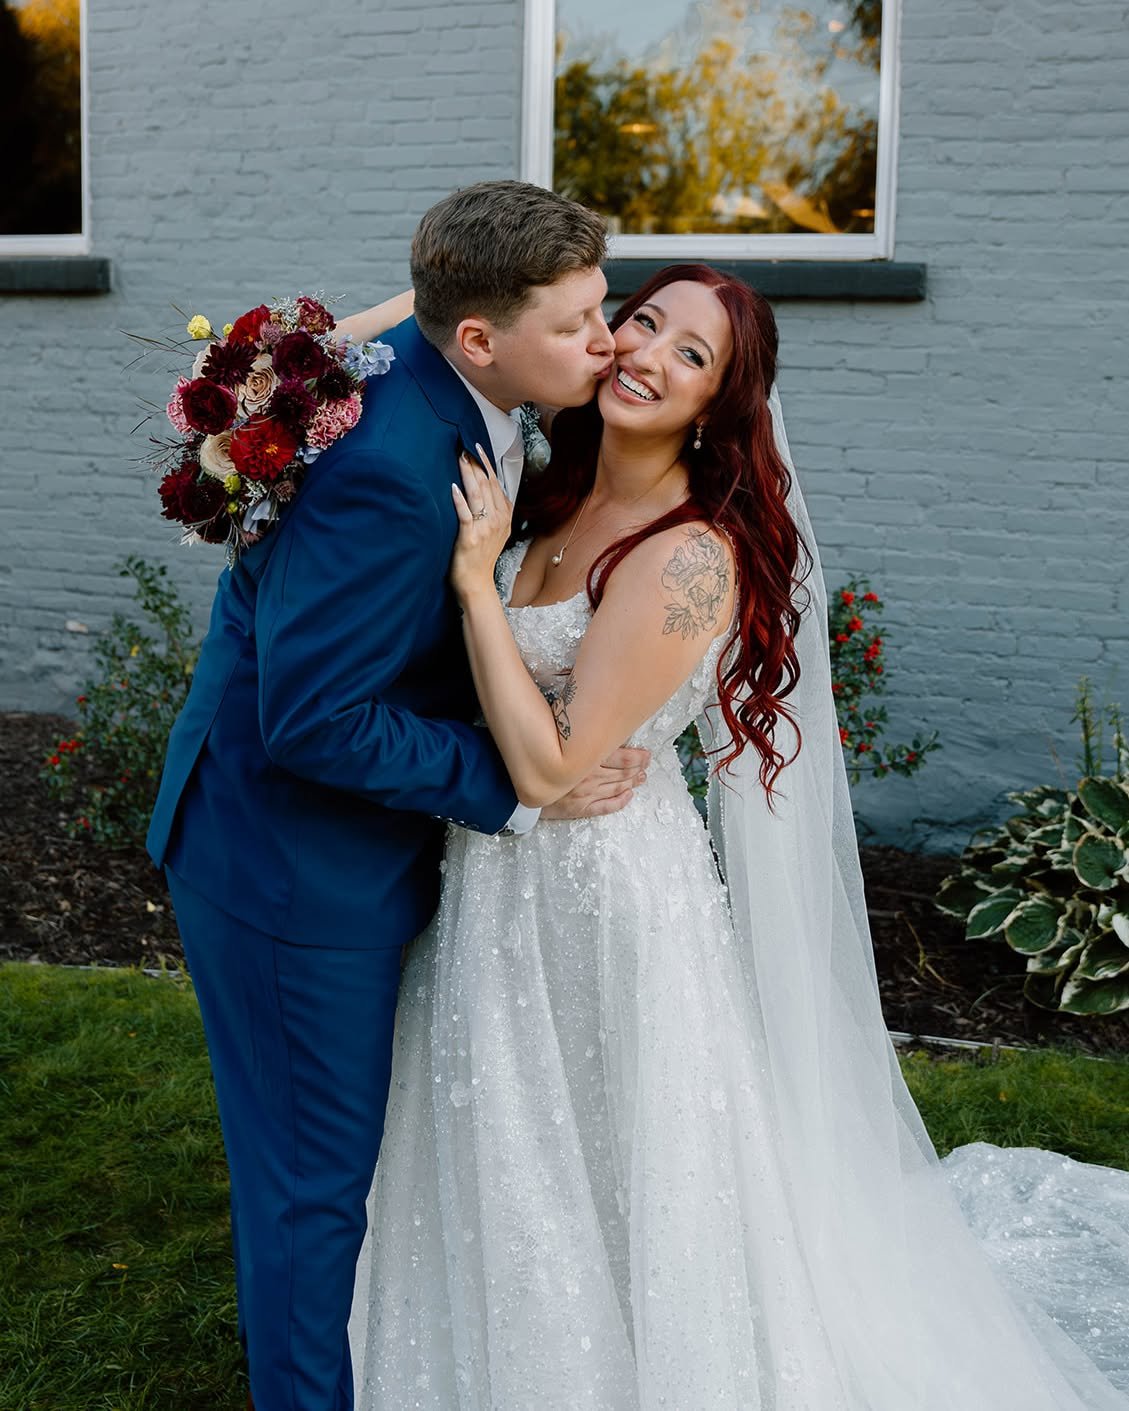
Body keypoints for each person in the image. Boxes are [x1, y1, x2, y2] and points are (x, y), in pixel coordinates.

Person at [346, 263, 1129, 1408]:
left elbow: (554, 766)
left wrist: (476, 587)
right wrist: (429, 304)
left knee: (616, 1153)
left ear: (717, 406)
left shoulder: (685, 554)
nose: (651, 355)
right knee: (507, 1133)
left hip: (600, 890)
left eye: (692, 355)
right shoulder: (554, 481)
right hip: (497, 880)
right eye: (642, 321)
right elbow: (397, 332)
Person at [146, 180, 654, 1411]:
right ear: (478, 340)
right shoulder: (389, 466)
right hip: (285, 865)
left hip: (337, 845)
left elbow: (344, 341)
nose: (612, 341)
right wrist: (530, 780)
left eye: (608, 309)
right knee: (311, 1186)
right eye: (580, 322)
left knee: (332, 1166)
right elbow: (315, 720)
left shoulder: (444, 375)